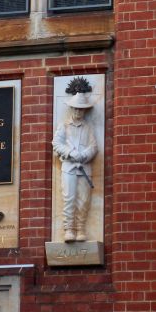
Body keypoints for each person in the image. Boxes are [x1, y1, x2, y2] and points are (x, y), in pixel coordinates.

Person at [52, 92, 97, 242]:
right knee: (69, 198)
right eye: (75, 109)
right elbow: (56, 144)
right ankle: (69, 229)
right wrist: (71, 153)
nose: (78, 112)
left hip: (84, 168)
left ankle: (81, 229)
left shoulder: (88, 127)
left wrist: (83, 156)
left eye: (81, 109)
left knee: (83, 200)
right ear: (71, 109)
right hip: (69, 168)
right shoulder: (63, 126)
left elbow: (93, 147)